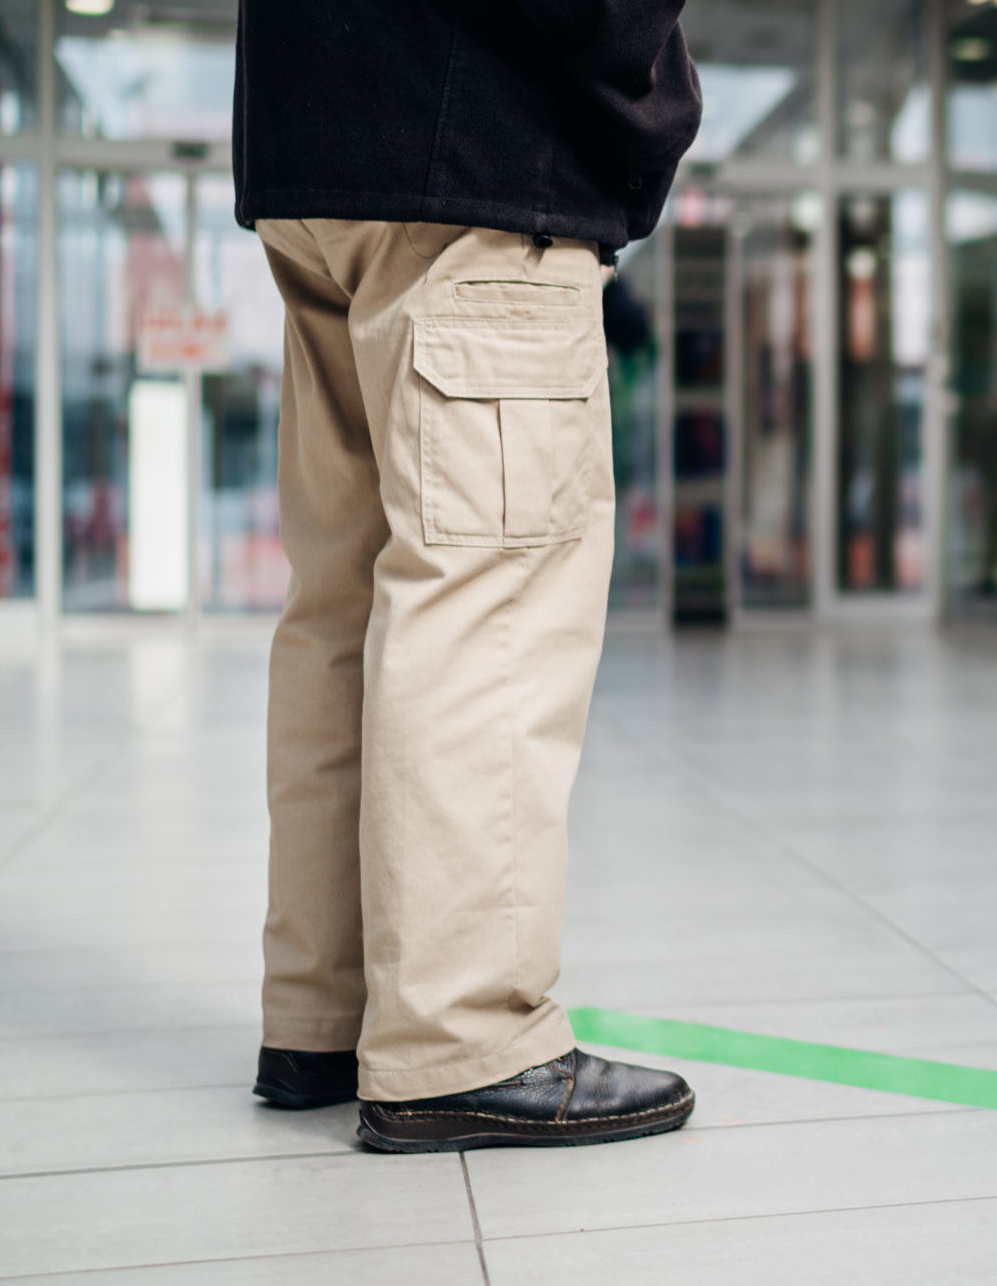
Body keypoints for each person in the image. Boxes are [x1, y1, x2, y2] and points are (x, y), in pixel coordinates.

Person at [237, 0, 704, 1150]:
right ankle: (461, 1037)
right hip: (477, 161)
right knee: (487, 604)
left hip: (313, 152)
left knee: (344, 606)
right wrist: (651, 111)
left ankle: (324, 1013)